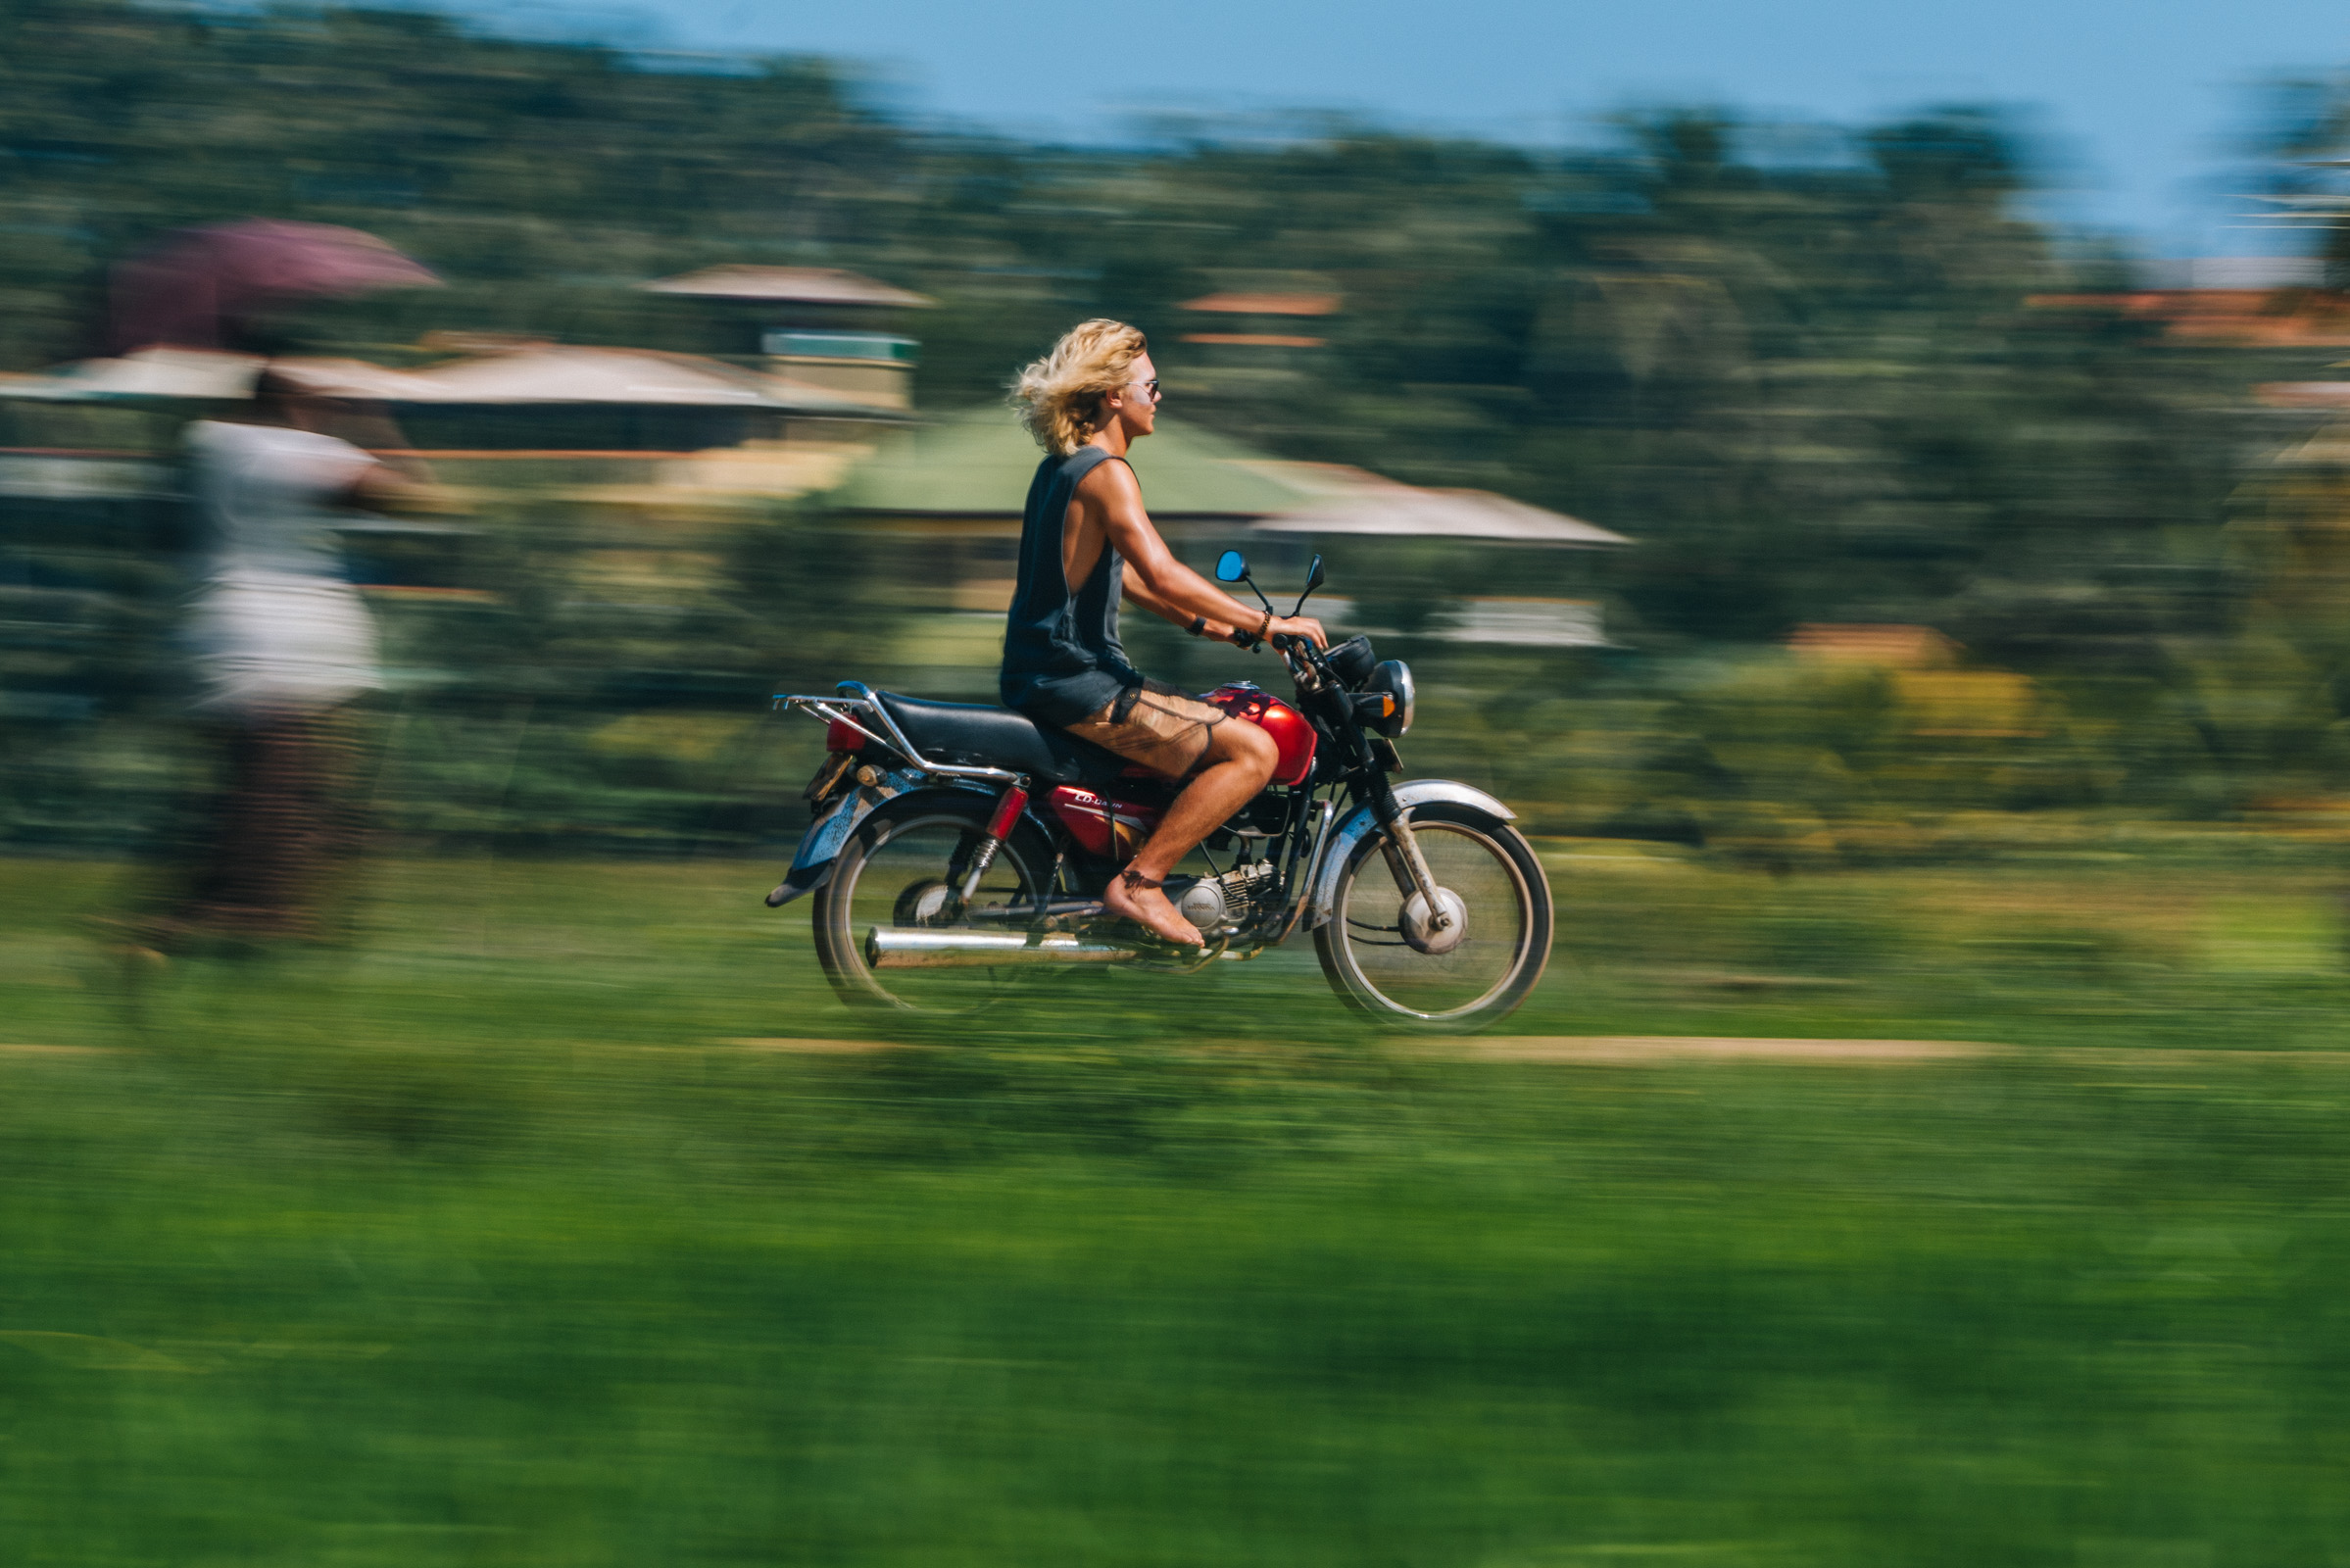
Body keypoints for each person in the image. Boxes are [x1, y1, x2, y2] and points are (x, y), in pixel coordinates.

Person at [1003, 320, 1325, 948]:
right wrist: (1268, 622)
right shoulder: (1107, 473)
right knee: (1253, 751)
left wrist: (1217, 629)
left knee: (1209, 724)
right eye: (1152, 383)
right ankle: (1142, 883)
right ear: (1113, 395)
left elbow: (1128, 582)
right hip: (1080, 681)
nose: (1160, 395)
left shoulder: (1060, 470)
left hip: (1046, 673)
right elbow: (1163, 570)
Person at [164, 368, 435, 943]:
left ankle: (254, 913)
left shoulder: (215, 444)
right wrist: (379, 428)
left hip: (259, 645)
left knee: (279, 794)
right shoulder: (277, 449)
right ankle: (206, 919)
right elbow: (414, 501)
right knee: (275, 794)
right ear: (291, 400)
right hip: (275, 650)